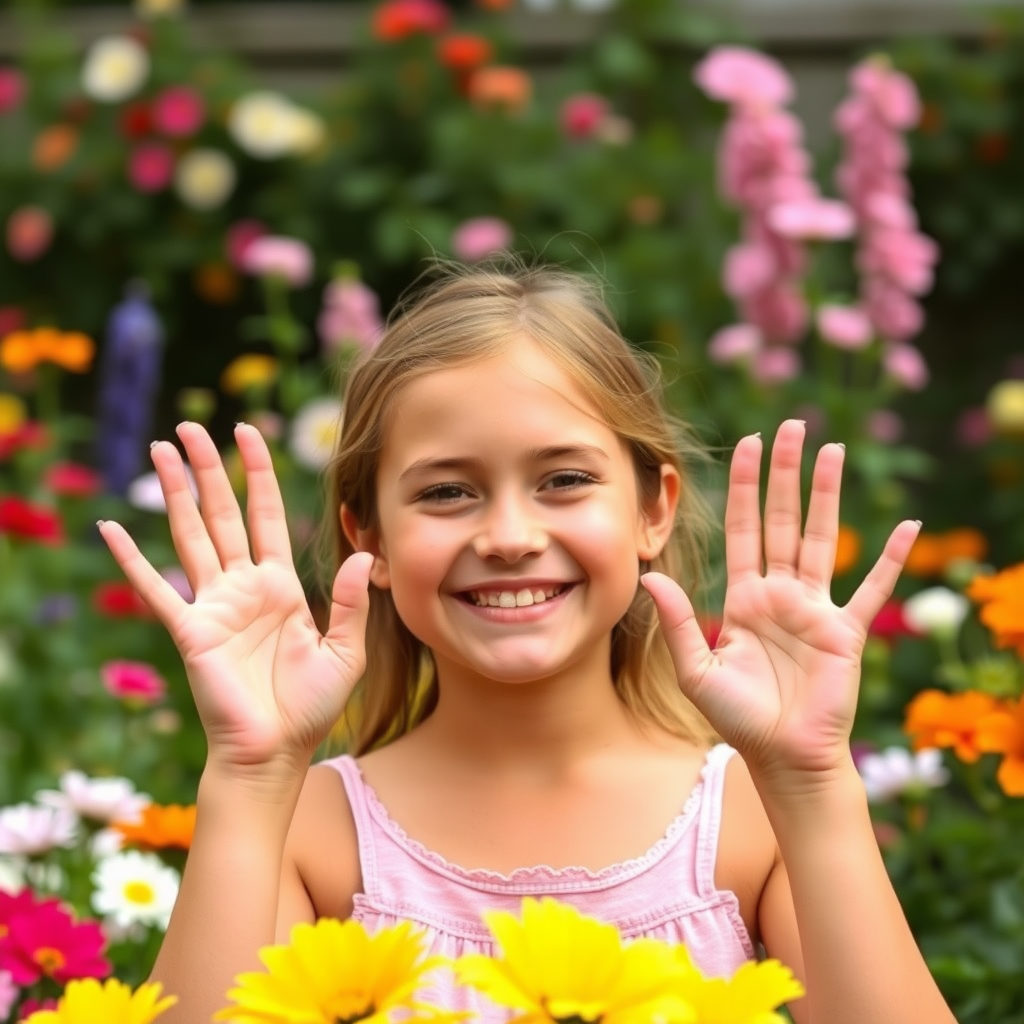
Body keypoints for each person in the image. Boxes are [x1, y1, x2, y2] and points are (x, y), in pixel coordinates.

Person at [98, 262, 956, 1024]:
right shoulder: (309, 837)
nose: (509, 534)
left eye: (565, 480)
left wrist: (814, 785)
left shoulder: (756, 825)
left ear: (652, 510)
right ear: (371, 541)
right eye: (446, 492)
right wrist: (248, 779)